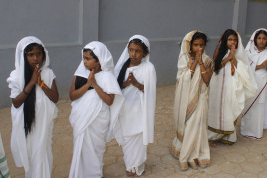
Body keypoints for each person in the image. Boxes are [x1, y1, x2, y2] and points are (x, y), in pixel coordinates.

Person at [69, 41, 123, 178]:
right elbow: (72, 95)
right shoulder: (80, 74)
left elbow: (110, 101)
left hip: (98, 120)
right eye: (84, 58)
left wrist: (95, 85)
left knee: (95, 151)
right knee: (81, 148)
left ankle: (94, 174)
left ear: (99, 61)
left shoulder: (107, 77)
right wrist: (88, 84)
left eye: (88, 59)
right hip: (81, 118)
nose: (84, 62)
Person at [7, 36, 59, 177]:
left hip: (44, 125)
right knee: (32, 156)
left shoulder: (47, 73)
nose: (35, 58)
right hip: (28, 127)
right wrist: (31, 82)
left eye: (38, 54)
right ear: (24, 56)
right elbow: (16, 102)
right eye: (30, 55)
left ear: (44, 54)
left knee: (43, 155)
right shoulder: (16, 76)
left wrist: (41, 83)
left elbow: (55, 98)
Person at [114, 35, 156, 176]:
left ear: (144, 53)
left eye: (137, 51)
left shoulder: (148, 68)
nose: (133, 54)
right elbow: (115, 87)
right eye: (131, 50)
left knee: (137, 135)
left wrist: (136, 84)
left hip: (139, 109)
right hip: (125, 109)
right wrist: (126, 83)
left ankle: (136, 165)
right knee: (127, 137)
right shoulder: (121, 67)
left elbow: (150, 90)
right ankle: (129, 163)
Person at [171, 31, 213, 171]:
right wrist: (195, 61)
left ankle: (195, 155)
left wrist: (200, 61)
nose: (199, 48)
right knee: (189, 126)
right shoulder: (184, 60)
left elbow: (207, 80)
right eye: (195, 45)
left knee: (198, 126)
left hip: (200, 98)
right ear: (189, 46)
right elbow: (183, 78)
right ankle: (185, 156)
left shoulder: (208, 61)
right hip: (186, 99)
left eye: (201, 45)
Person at [208, 29, 257, 145]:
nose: (233, 42)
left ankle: (227, 136)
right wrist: (229, 56)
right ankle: (213, 135)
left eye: (235, 40)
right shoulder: (219, 51)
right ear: (225, 40)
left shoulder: (238, 53)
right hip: (219, 86)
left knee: (229, 108)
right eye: (230, 40)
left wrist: (234, 56)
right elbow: (216, 67)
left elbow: (241, 68)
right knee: (217, 108)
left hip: (231, 86)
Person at [241, 29, 267, 140]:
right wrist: (260, 66)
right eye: (259, 38)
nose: (261, 41)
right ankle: (246, 130)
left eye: (264, 38)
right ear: (255, 39)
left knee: (259, 107)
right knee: (248, 105)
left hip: (262, 84)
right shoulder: (248, 53)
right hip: (250, 84)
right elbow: (244, 69)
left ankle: (256, 132)